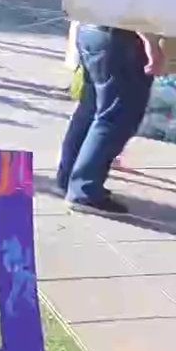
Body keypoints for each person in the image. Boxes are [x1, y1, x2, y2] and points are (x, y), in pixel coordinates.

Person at [55, 25, 165, 215]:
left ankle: (70, 178)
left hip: (92, 32)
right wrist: (151, 41)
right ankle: (85, 190)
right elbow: (137, 4)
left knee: (91, 111)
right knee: (116, 117)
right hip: (123, 38)